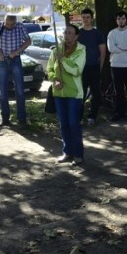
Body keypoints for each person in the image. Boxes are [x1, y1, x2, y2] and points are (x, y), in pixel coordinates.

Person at [48, 25, 86, 165]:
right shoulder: (56, 49)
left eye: (70, 33)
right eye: (65, 32)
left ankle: (78, 154)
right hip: (58, 92)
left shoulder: (81, 50)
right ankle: (67, 152)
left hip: (74, 93)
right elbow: (50, 68)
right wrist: (54, 79)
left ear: (76, 36)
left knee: (73, 123)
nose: (67, 35)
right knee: (63, 124)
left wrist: (63, 59)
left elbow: (76, 70)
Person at [0, 14, 31, 127]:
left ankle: (22, 119)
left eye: (12, 24)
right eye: (7, 23)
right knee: (2, 92)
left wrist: (17, 52)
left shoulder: (20, 26)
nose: (9, 26)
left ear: (15, 22)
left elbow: (28, 41)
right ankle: (5, 119)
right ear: (4, 20)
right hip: (2, 61)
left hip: (15, 60)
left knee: (20, 91)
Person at [107, 10, 127, 122]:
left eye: (123, 18)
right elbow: (111, 48)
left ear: (126, 20)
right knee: (118, 91)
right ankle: (119, 112)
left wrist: (119, 46)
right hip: (116, 65)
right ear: (116, 20)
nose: (121, 21)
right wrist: (126, 46)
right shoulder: (112, 33)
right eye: (119, 19)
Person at [78, 8, 106, 126]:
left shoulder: (97, 33)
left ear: (92, 18)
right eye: (83, 17)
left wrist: (100, 67)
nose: (86, 20)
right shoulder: (78, 33)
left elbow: (103, 52)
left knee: (96, 94)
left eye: (88, 17)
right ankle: (78, 117)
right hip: (81, 68)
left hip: (94, 67)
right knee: (81, 94)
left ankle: (92, 117)